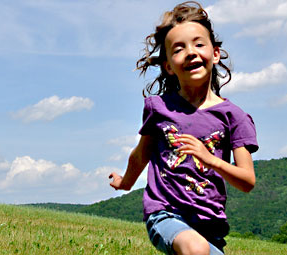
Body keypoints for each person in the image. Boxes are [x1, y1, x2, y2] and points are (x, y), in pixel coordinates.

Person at [108, 2, 258, 255]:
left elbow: (247, 181)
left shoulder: (235, 116)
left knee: (199, 247)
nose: (190, 52)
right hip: (165, 213)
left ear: (216, 53)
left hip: (210, 226)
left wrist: (209, 159)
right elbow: (141, 153)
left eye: (199, 44)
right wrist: (125, 183)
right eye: (179, 49)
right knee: (195, 249)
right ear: (168, 66)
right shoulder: (159, 108)